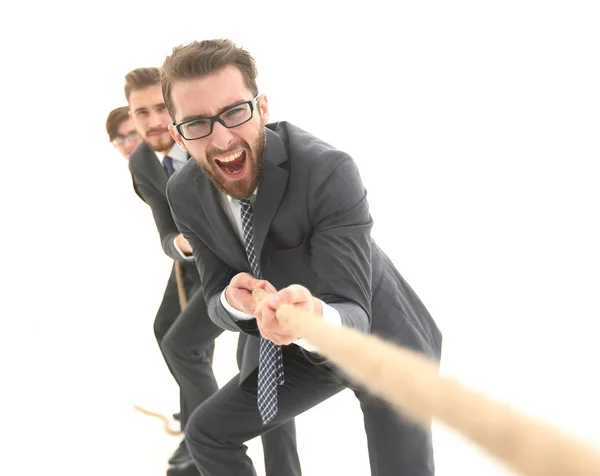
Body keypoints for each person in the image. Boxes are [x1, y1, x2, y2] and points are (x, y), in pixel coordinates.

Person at [163, 39, 443, 476]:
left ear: (263, 108)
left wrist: (314, 314)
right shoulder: (184, 192)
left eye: (235, 112)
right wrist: (236, 303)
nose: (221, 138)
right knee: (207, 433)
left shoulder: (328, 171)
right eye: (197, 124)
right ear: (179, 135)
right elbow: (217, 295)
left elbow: (353, 310)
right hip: (296, 350)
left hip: (380, 343)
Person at [125, 67, 301, 476]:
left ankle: (209, 438)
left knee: (260, 370)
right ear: (130, 117)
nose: (152, 122)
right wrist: (182, 243)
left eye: (159, 109)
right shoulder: (142, 162)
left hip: (248, 263)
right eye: (140, 113)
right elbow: (166, 229)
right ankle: (200, 430)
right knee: (169, 333)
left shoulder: (210, 142)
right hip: (198, 263)